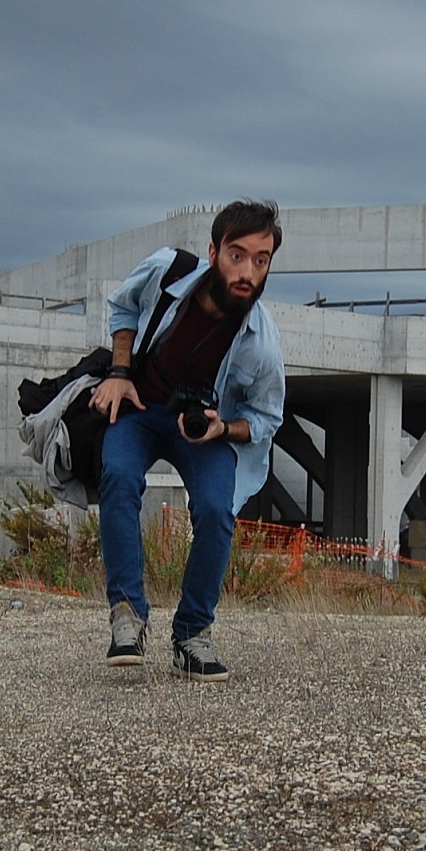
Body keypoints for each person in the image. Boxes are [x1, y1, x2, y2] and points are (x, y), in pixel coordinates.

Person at [89, 200, 287, 680]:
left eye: (261, 260)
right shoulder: (168, 272)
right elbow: (123, 307)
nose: (248, 272)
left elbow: (266, 417)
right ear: (213, 252)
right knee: (118, 476)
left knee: (217, 510)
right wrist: (119, 372)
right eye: (237, 255)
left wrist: (224, 428)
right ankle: (127, 616)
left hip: (201, 431)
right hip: (139, 408)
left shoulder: (261, 343)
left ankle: (192, 634)